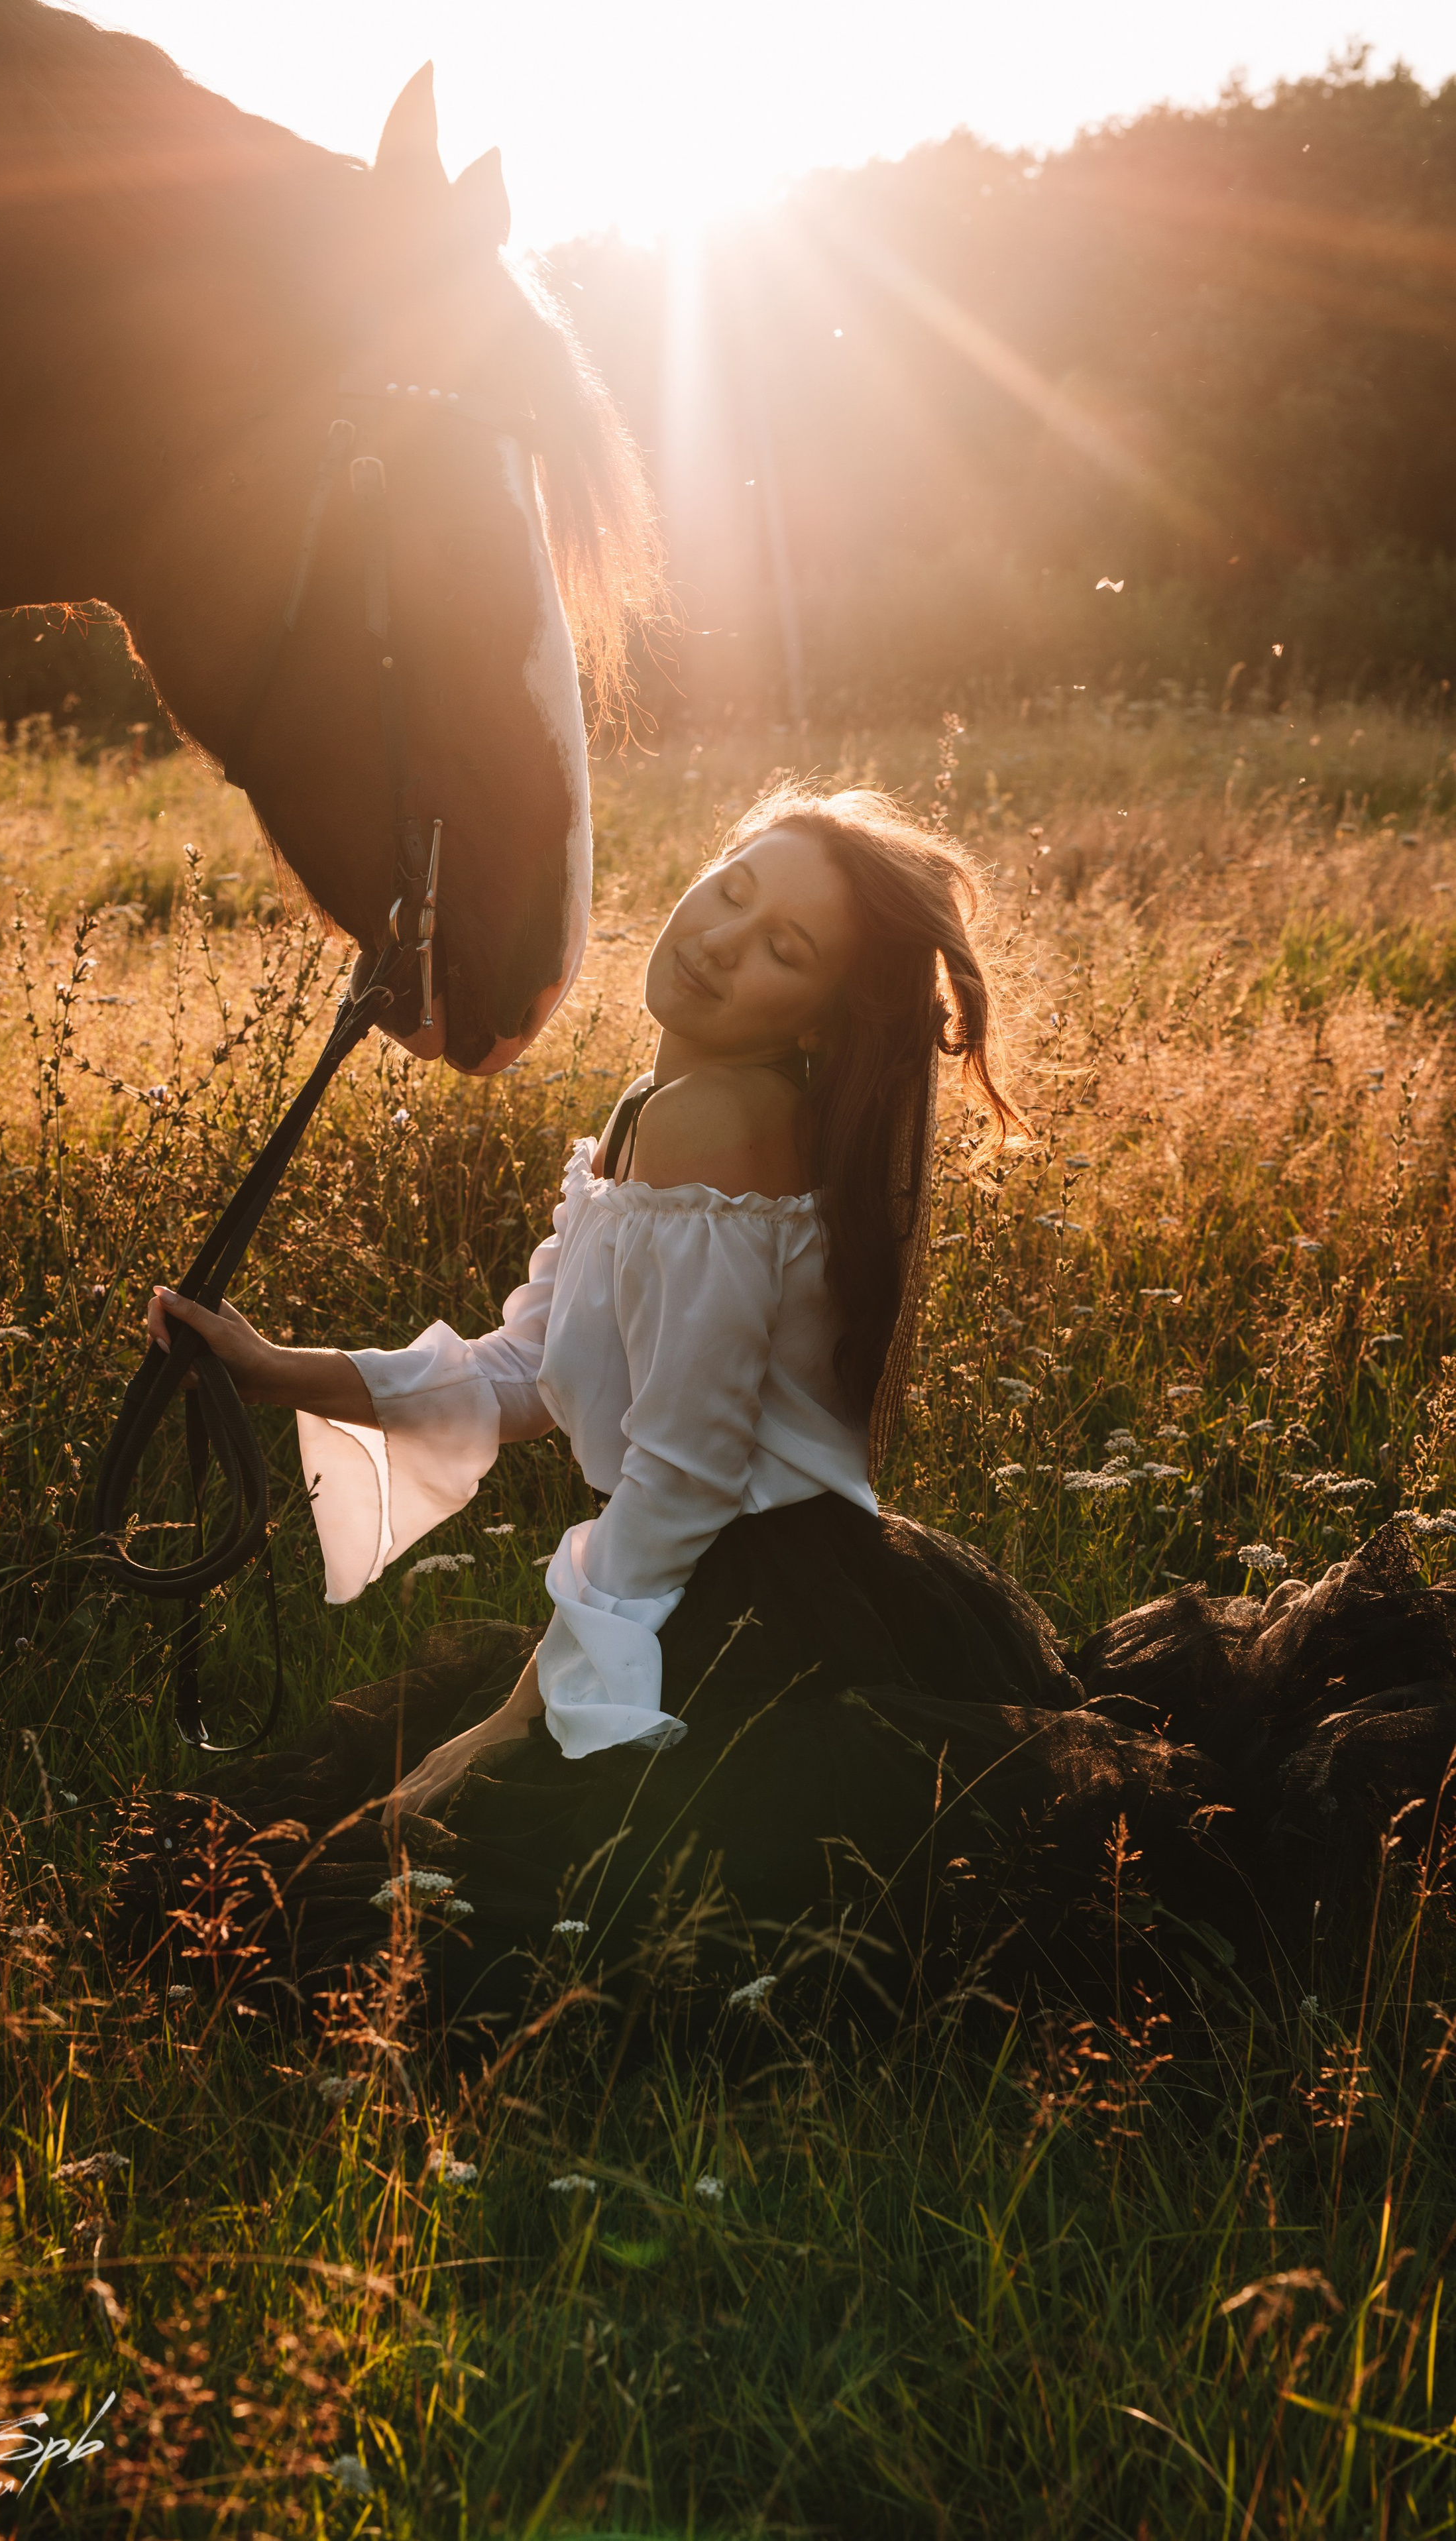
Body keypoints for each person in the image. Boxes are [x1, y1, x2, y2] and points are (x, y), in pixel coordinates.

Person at [109, 786, 1456, 2039]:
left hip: (750, 1615)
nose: (723, 938)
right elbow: (532, 1365)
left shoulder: (720, 1122)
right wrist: (279, 1367)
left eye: (786, 948)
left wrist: (516, 1719)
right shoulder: (658, 1110)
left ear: (816, 1019)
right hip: (732, 1587)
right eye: (738, 888)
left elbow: (682, 1481)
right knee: (330, 1889)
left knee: (374, 1923)